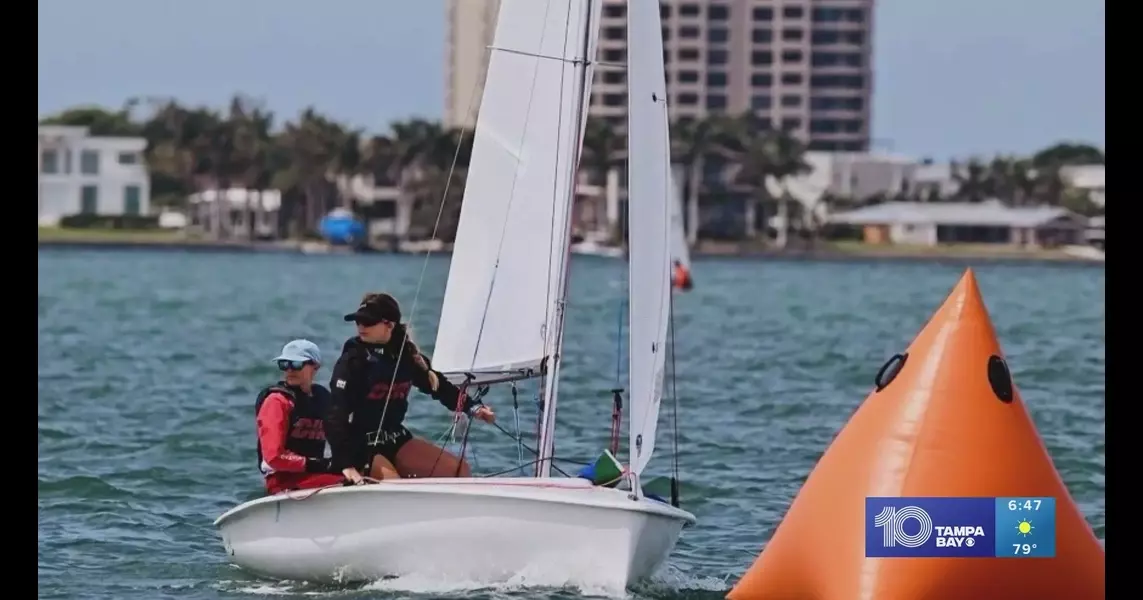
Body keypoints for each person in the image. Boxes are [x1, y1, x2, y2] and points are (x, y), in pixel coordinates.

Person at [326, 293, 497, 485]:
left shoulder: (406, 357)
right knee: (395, 487)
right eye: (358, 322)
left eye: (368, 322)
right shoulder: (353, 360)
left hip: (396, 437)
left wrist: (473, 408)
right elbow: (335, 414)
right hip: (360, 445)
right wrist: (345, 463)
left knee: (458, 470)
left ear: (389, 325)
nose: (361, 327)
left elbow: (439, 387)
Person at [255, 339, 346, 495]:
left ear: (315, 366)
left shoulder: (323, 398)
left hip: (313, 475)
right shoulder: (277, 401)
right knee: (349, 482)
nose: (289, 370)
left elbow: (340, 436)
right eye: (284, 364)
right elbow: (274, 457)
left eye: (296, 364)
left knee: (365, 472)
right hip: (282, 480)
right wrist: (317, 465)